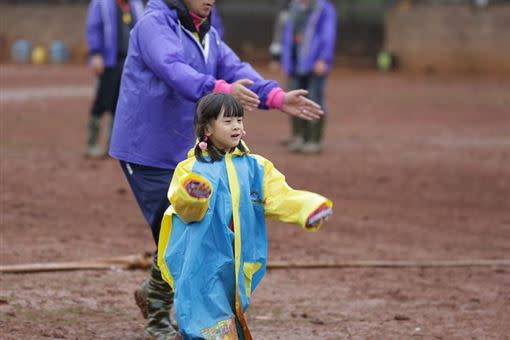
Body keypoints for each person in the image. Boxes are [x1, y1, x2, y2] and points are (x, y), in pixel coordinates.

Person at [108, 0, 324, 338]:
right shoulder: (154, 24)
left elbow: (237, 70)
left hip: (188, 151)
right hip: (147, 150)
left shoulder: (206, 31)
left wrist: (277, 97)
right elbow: (174, 70)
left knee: (196, 228)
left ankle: (153, 290)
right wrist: (220, 89)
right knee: (180, 227)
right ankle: (158, 317)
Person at [158, 93, 333, 339]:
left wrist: (309, 209)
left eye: (239, 120)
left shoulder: (256, 167)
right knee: (207, 318)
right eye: (228, 121)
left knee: (228, 311)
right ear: (207, 128)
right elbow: (185, 208)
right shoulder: (191, 169)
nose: (237, 126)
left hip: (238, 257)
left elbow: (280, 197)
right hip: (201, 259)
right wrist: (193, 194)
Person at [85, 0, 144, 158]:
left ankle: (113, 145)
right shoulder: (101, 4)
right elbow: (94, 29)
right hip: (109, 62)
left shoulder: (136, 5)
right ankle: (92, 143)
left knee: (120, 105)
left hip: (129, 63)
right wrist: (95, 53)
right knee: (102, 101)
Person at [280, 0, 337, 153]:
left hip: (315, 63)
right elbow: (287, 34)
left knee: (315, 99)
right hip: (297, 64)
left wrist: (323, 59)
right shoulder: (293, 7)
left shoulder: (324, 8)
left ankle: (314, 139)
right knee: (294, 98)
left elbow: (328, 34)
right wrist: (287, 61)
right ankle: (300, 136)